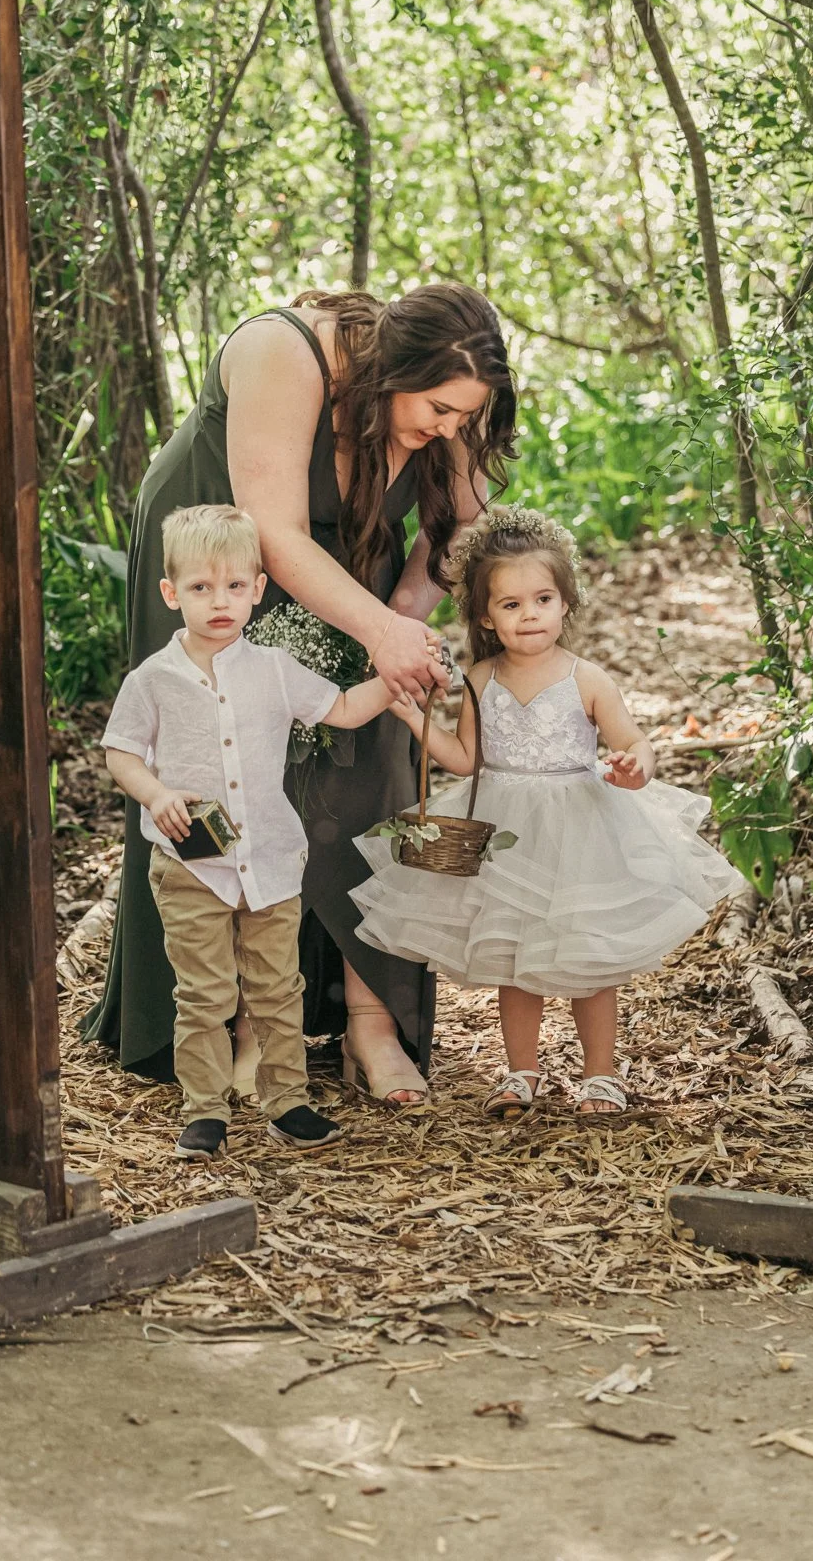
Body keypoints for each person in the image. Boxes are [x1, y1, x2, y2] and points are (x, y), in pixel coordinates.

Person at [83, 286, 517, 1106]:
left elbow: (461, 524)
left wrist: (399, 619)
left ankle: (370, 1022)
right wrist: (378, 631)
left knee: (375, 751)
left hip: (346, 559)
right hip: (221, 557)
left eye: (465, 416)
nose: (450, 429)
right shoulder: (284, 353)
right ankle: (234, 1018)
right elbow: (273, 532)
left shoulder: (448, 402)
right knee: (227, 755)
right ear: (394, 369)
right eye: (438, 410)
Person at [351, 507, 744, 1118]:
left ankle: (600, 1075)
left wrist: (634, 767)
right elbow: (465, 760)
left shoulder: (587, 679)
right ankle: (521, 1071)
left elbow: (633, 742)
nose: (529, 614)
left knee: (590, 959)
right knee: (514, 957)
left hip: (579, 829)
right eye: (511, 605)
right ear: (486, 616)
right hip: (507, 836)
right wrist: (410, 717)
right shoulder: (481, 678)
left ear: (565, 603)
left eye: (542, 599)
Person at [101, 505, 401, 1160]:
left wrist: (396, 680)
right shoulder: (153, 680)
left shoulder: (274, 669)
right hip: (191, 867)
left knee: (277, 989)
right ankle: (205, 1111)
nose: (220, 601)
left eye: (236, 586)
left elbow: (343, 708)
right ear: (171, 593)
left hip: (269, 859)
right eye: (202, 587)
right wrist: (156, 793)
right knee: (204, 993)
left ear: (258, 590)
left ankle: (287, 1102)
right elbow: (120, 751)